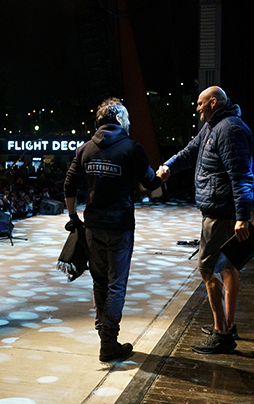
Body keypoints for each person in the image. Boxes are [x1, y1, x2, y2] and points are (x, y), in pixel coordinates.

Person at [157, 86, 254, 354]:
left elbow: (242, 175)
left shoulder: (228, 129)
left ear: (213, 102)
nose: (197, 108)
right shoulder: (214, 126)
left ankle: (222, 334)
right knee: (228, 268)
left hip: (222, 214)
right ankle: (228, 324)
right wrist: (169, 166)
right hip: (221, 211)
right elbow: (190, 152)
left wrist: (242, 216)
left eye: (200, 104)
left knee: (206, 269)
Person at [64, 97, 162, 362]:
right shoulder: (131, 148)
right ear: (118, 118)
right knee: (117, 285)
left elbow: (69, 186)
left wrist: (74, 217)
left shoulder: (84, 150)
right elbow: (150, 184)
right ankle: (109, 341)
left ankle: (104, 337)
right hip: (119, 227)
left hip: (92, 227)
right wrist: (163, 174)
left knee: (99, 282)